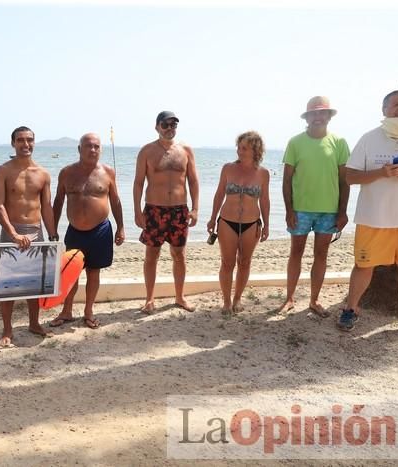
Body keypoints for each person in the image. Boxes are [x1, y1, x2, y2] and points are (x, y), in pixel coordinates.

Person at [338, 90, 398, 340]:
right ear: (384, 110)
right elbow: (349, 177)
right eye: (396, 105)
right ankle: (351, 309)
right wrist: (382, 172)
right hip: (373, 217)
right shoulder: (369, 139)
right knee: (363, 266)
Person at [279, 96, 350, 317]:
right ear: (307, 118)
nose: (318, 117)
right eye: (313, 114)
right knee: (296, 252)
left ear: (329, 116)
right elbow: (287, 180)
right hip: (300, 210)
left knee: (321, 254)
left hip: (328, 211)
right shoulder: (295, 142)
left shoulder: (339, 142)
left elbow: (344, 180)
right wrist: (289, 210)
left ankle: (314, 300)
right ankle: (289, 298)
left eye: (322, 113)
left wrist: (342, 211)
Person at [49, 133, 125, 329]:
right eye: (88, 146)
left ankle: (89, 312)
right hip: (75, 231)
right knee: (70, 273)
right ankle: (67, 311)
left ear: (101, 149)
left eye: (96, 146)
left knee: (93, 272)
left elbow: (115, 201)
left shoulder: (108, 172)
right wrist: (52, 229)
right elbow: (58, 202)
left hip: (100, 230)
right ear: (79, 149)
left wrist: (121, 227)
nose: (93, 150)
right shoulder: (66, 173)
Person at [0, 126, 58, 347]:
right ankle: (7, 330)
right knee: (7, 285)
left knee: (35, 282)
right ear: (13, 143)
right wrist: (12, 233)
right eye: (20, 140)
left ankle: (34, 323)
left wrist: (53, 233)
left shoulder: (43, 173)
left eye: (29, 140)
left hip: (36, 231)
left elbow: (46, 206)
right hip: (11, 231)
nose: (25, 144)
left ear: (34, 143)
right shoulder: (3, 171)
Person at [133, 111, 200, 313]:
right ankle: (149, 299)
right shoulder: (146, 151)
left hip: (179, 211)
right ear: (157, 127)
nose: (170, 128)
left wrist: (195, 208)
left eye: (173, 125)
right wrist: (137, 212)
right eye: (166, 125)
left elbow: (194, 181)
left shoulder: (186, 150)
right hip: (154, 210)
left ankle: (179, 297)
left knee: (179, 254)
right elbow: (138, 183)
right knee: (152, 254)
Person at [206, 131, 270, 314]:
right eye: (239, 147)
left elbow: (264, 200)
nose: (240, 151)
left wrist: (266, 225)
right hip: (227, 221)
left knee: (245, 262)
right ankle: (226, 301)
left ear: (255, 150)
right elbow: (219, 194)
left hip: (252, 223)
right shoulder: (228, 168)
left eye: (244, 148)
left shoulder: (263, 173)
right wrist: (212, 218)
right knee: (227, 263)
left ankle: (237, 299)